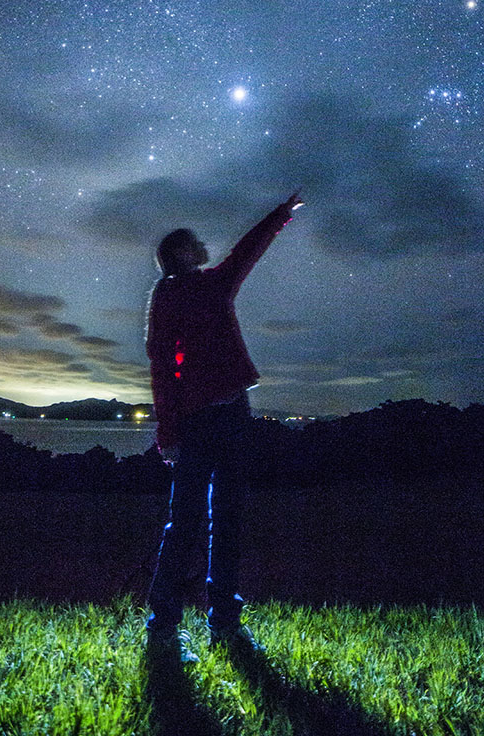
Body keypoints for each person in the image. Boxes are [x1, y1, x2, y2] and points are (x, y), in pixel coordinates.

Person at [145, 192, 304, 661]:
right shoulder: (173, 293)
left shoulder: (213, 284)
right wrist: (168, 431)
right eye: (190, 244)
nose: (199, 247)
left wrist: (277, 218)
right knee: (189, 521)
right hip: (199, 419)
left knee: (227, 518)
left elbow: (245, 252)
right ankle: (165, 626)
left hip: (232, 413)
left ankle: (224, 623)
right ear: (178, 255)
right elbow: (160, 363)